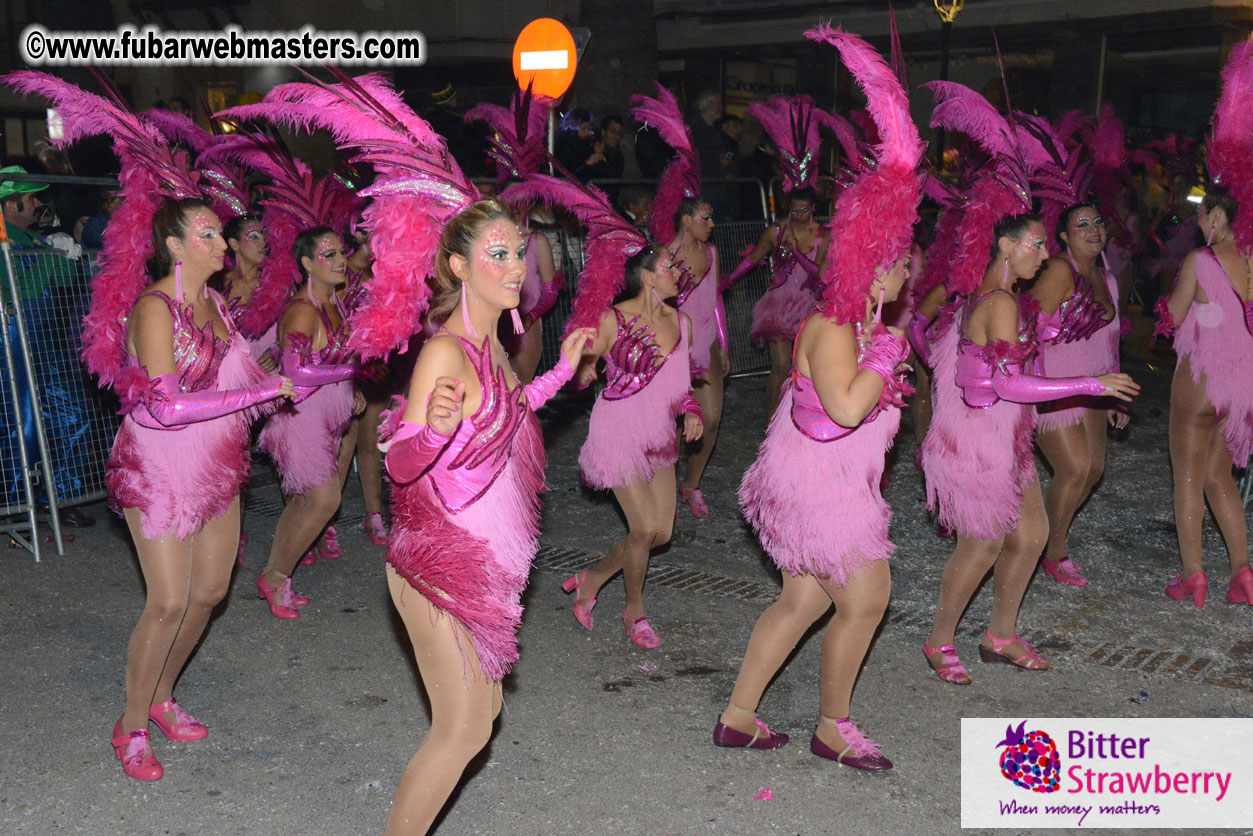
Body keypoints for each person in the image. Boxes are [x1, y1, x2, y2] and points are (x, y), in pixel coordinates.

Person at [716, 27, 919, 771]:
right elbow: (842, 407)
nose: (909, 269)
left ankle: (739, 716)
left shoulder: (859, 321)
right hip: (818, 489)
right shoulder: (839, 326)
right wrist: (894, 348)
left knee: (802, 601)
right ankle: (833, 726)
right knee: (864, 599)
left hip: (818, 481)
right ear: (878, 264)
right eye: (901, 258)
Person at [382, 200, 589, 833]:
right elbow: (399, 465)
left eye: (519, 252)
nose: (515, 266)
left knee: (484, 709)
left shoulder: (492, 347)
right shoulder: (445, 353)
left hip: (481, 559)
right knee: (463, 728)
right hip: (440, 560)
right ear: (458, 267)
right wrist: (432, 434)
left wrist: (561, 371)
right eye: (497, 254)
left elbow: (509, 413)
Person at [107, 197, 291, 778]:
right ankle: (131, 724)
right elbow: (165, 407)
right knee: (167, 600)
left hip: (215, 459)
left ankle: (161, 696)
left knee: (209, 592)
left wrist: (303, 375)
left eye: (220, 234)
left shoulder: (214, 302)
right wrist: (262, 393)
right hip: (157, 463)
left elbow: (241, 375)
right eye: (208, 234)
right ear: (176, 247)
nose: (223, 244)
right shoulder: (154, 309)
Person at [921, 214, 1138, 683]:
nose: (1043, 256)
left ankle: (1000, 635)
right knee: (982, 544)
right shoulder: (1000, 301)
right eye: (1036, 246)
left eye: (1044, 246)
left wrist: (1049, 338)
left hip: (1005, 431)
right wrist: (1091, 384)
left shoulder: (1001, 297)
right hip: (982, 438)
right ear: (1005, 246)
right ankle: (939, 640)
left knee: (1033, 532)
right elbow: (1008, 383)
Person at [562, 243, 703, 648]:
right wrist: (584, 369)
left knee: (661, 534)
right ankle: (634, 613)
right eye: (667, 266)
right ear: (646, 276)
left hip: (659, 434)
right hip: (618, 432)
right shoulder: (613, 319)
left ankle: (592, 579)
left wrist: (691, 410)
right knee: (642, 529)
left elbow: (682, 387)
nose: (677, 271)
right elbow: (574, 366)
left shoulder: (683, 322)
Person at [256, 228, 365, 618]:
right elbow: (296, 373)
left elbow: (333, 362)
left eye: (342, 252)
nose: (340, 260)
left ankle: (275, 577)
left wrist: (352, 387)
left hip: (327, 415)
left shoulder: (336, 304)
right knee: (324, 499)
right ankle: (274, 577)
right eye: (328, 254)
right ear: (306, 264)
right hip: (300, 417)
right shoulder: (302, 310)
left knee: (303, 502)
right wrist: (348, 371)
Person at [1158, 186, 1253, 607]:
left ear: (1217, 216)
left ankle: (1193, 575)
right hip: (1242, 387)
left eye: (1201, 215)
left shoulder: (1200, 260)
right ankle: (1242, 571)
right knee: (1221, 478)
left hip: (1201, 380)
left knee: (1189, 478)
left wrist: (1167, 304)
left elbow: (1173, 317)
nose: (1197, 222)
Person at [1030, 203, 1125, 587]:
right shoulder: (1057, 270)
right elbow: (1027, 327)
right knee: (1073, 469)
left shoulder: (1108, 279)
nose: (1093, 228)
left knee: (1092, 471)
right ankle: (1050, 551)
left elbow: (1112, 341)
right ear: (1065, 236)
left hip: (1097, 387)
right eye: (1081, 224)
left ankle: (1050, 541)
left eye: (1098, 221)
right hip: (1055, 382)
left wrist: (1116, 395)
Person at [722, 188, 828, 413]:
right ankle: (772, 420)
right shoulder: (776, 231)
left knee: (805, 366)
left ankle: (798, 414)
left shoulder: (822, 235)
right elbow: (753, 259)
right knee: (780, 365)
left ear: (813, 209)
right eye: (794, 210)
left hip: (809, 305)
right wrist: (727, 281)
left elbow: (819, 274)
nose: (799, 215)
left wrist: (797, 252)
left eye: (804, 210)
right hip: (780, 305)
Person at [669, 198, 728, 516]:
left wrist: (724, 343)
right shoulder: (666, 256)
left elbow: (715, 298)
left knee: (712, 419)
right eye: (705, 218)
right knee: (669, 424)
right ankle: (661, 485)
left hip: (706, 346)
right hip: (673, 348)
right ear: (686, 221)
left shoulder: (711, 253)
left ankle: (689, 484)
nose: (712, 224)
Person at [341, 219, 389, 546]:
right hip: (340, 368)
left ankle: (373, 515)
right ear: (358, 235)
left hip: (376, 368)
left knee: (371, 441)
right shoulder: (335, 267)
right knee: (342, 446)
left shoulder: (384, 273)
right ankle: (323, 519)